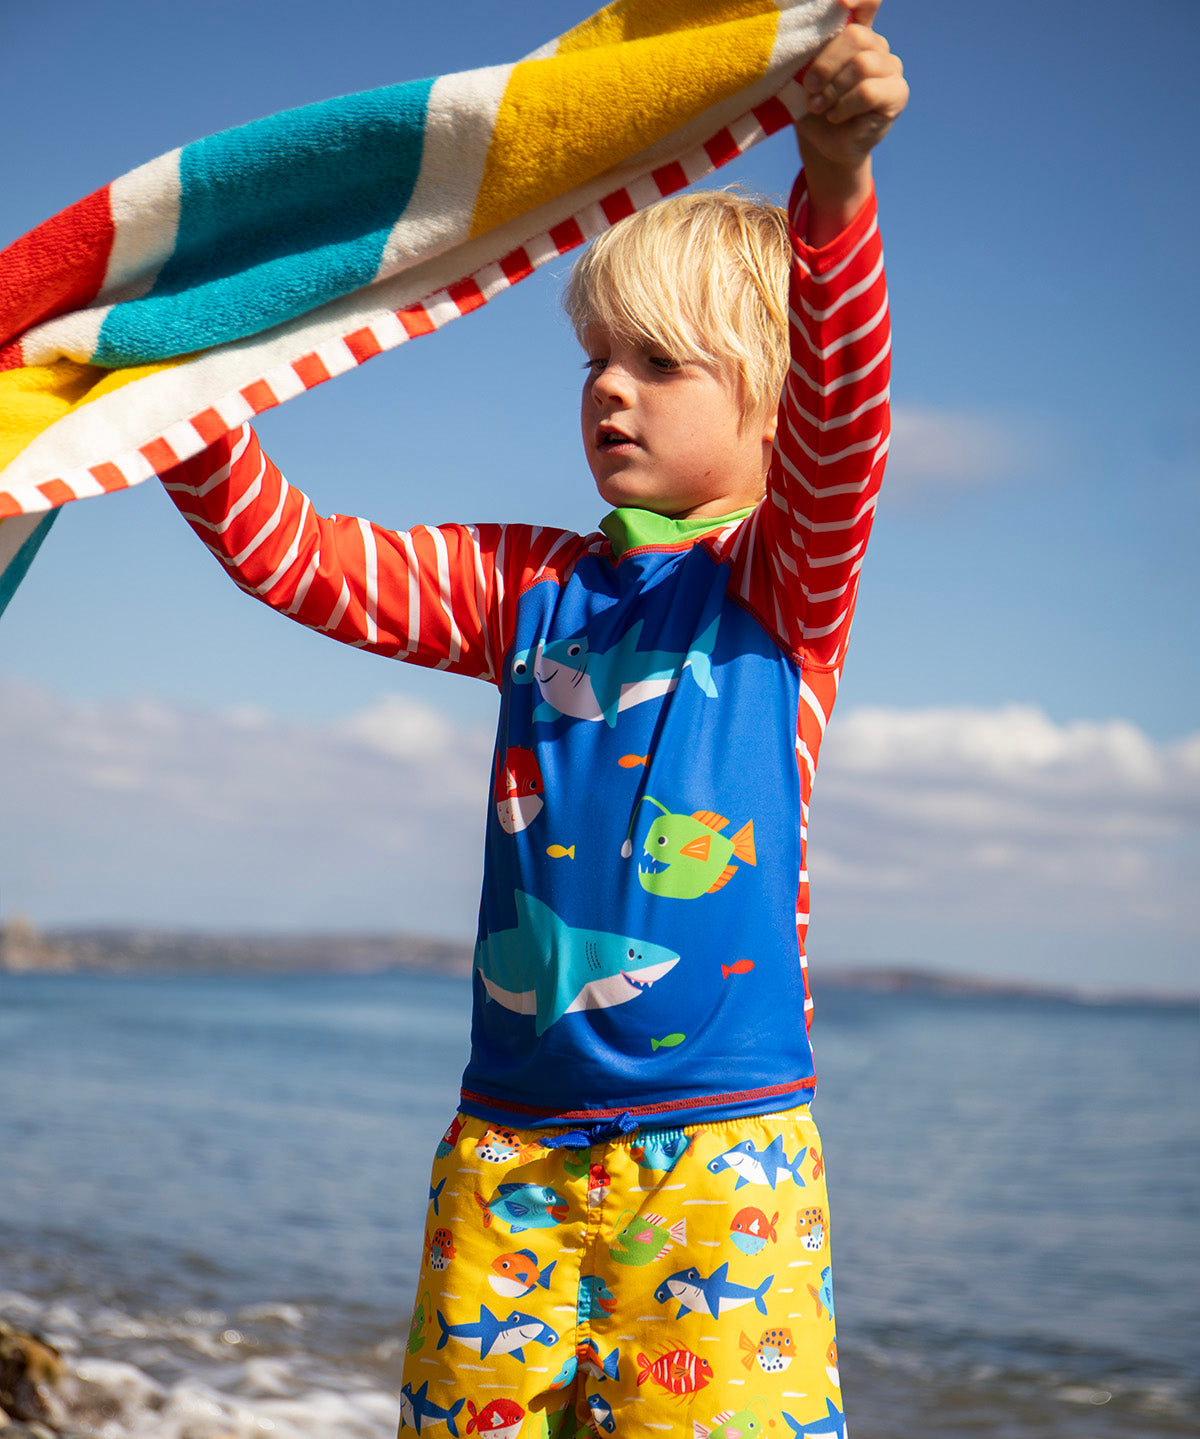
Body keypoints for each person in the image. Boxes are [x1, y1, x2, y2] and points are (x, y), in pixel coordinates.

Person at [160, 3, 907, 1434]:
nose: (610, 389)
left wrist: (837, 189)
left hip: (721, 1164)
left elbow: (850, 422)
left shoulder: (783, 584)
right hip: (507, 1157)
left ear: (771, 408)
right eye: (593, 362)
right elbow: (302, 560)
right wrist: (191, 403)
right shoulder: (529, 587)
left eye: (662, 362)